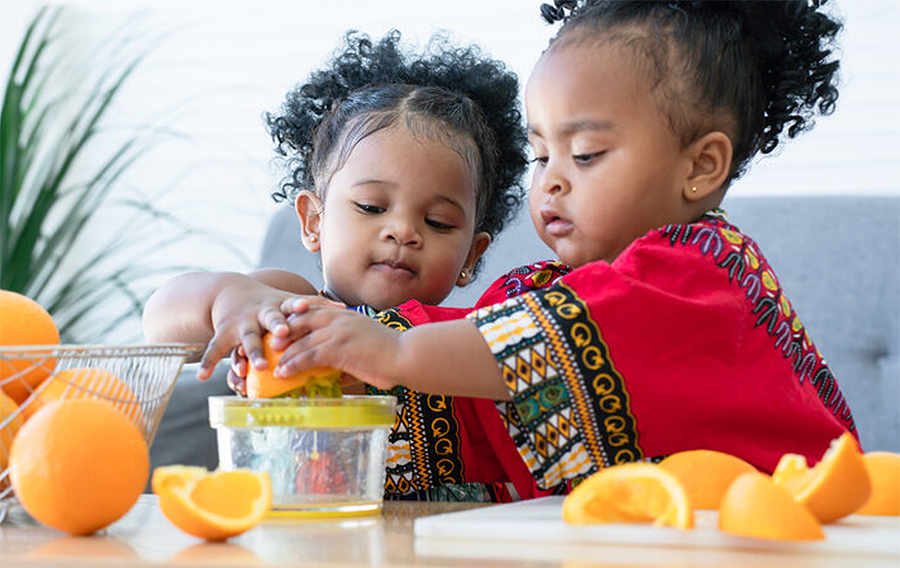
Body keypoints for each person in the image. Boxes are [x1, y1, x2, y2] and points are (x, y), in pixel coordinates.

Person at [269, 0, 858, 499]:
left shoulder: (699, 273)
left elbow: (500, 348)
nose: (550, 181)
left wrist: (392, 354)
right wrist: (348, 363)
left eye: (585, 155)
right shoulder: (544, 292)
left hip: (794, 536)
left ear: (700, 166)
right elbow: (462, 370)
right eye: (541, 155)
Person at [144, 30, 530, 502]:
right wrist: (229, 299)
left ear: (472, 255)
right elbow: (163, 325)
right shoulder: (293, 306)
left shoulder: (472, 344)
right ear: (312, 221)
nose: (403, 231)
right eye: (371, 206)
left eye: (437, 221)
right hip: (311, 537)